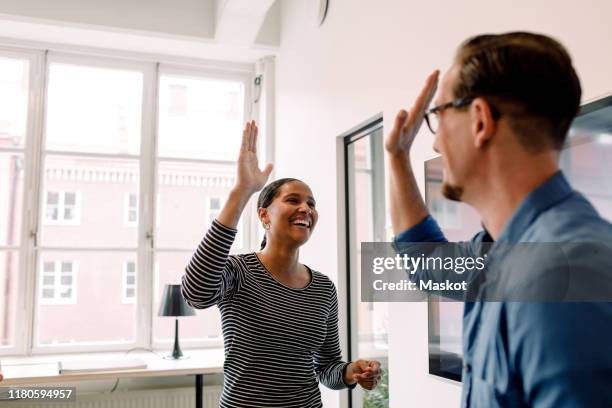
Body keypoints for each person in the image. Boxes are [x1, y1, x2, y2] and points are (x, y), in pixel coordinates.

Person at [386, 32, 612, 406]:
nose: (436, 142)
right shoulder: (501, 250)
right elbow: (424, 261)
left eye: (438, 116)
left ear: (480, 120)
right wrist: (397, 157)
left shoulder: (566, 273)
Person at [181, 121, 381, 407]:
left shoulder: (323, 288)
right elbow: (195, 293)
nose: (306, 209)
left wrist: (353, 372)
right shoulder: (239, 271)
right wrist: (242, 191)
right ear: (264, 216)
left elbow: (327, 369)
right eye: (293, 200)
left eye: (311, 203)